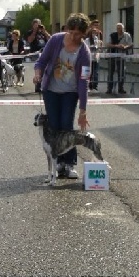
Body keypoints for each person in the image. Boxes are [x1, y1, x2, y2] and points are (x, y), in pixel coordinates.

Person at [33, 13, 92, 179]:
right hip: (51, 90)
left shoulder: (84, 52)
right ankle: (58, 162)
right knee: (54, 125)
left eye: (79, 34)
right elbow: (41, 61)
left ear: (84, 33)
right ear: (67, 29)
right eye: (71, 32)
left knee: (66, 126)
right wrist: (38, 73)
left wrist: (83, 111)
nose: (74, 36)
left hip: (70, 93)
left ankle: (70, 163)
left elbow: (84, 81)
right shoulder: (56, 40)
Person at [106, 23, 132, 94]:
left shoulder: (127, 35)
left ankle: (121, 88)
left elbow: (130, 44)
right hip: (112, 56)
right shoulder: (112, 35)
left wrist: (125, 47)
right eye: (118, 28)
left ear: (123, 29)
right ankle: (109, 89)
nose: (119, 30)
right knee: (110, 72)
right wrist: (117, 46)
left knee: (121, 73)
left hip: (122, 57)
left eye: (120, 28)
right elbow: (108, 44)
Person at [26, 19, 50, 92]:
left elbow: (51, 39)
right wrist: (34, 31)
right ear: (33, 25)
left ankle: (46, 84)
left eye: (39, 24)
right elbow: (29, 40)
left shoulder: (43, 33)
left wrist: (44, 31)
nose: (37, 26)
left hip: (45, 52)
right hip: (35, 53)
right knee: (40, 67)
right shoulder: (30, 32)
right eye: (36, 25)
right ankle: (38, 84)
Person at [85, 20, 103, 93]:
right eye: (94, 25)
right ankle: (88, 86)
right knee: (89, 72)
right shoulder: (87, 38)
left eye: (97, 25)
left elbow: (100, 44)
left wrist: (99, 48)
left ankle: (95, 86)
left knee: (96, 72)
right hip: (89, 58)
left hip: (96, 57)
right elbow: (86, 46)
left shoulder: (98, 36)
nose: (94, 34)